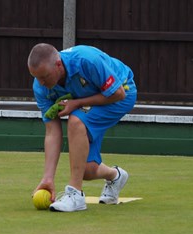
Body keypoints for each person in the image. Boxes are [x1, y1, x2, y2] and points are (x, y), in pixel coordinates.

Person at [27, 43, 137, 212]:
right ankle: (115, 176)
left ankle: (75, 195)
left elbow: (118, 93)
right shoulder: (41, 88)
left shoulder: (86, 60)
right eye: (37, 78)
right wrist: (48, 178)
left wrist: (77, 103)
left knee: (76, 120)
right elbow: (52, 132)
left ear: (58, 64)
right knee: (86, 170)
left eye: (45, 77)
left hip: (121, 92)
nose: (41, 83)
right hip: (90, 101)